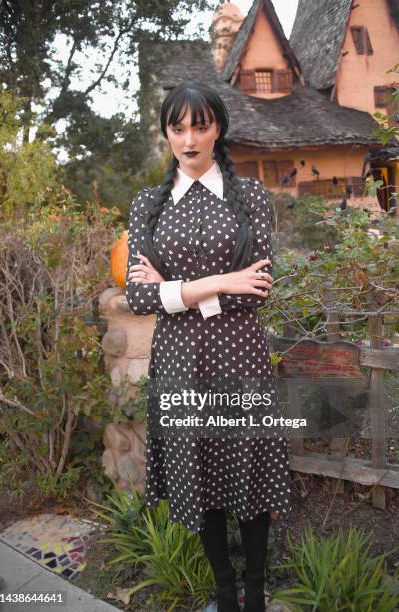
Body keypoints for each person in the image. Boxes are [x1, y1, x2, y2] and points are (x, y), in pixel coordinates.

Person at [126, 81, 291, 612]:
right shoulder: (148, 205)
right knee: (199, 472)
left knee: (250, 471)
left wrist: (173, 291)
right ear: (167, 133)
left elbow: (258, 292)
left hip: (240, 356)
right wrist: (221, 283)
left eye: (200, 126)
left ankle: (257, 593)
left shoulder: (250, 198)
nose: (189, 139)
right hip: (178, 361)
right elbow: (136, 295)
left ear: (218, 128)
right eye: (178, 128)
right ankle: (225, 592)